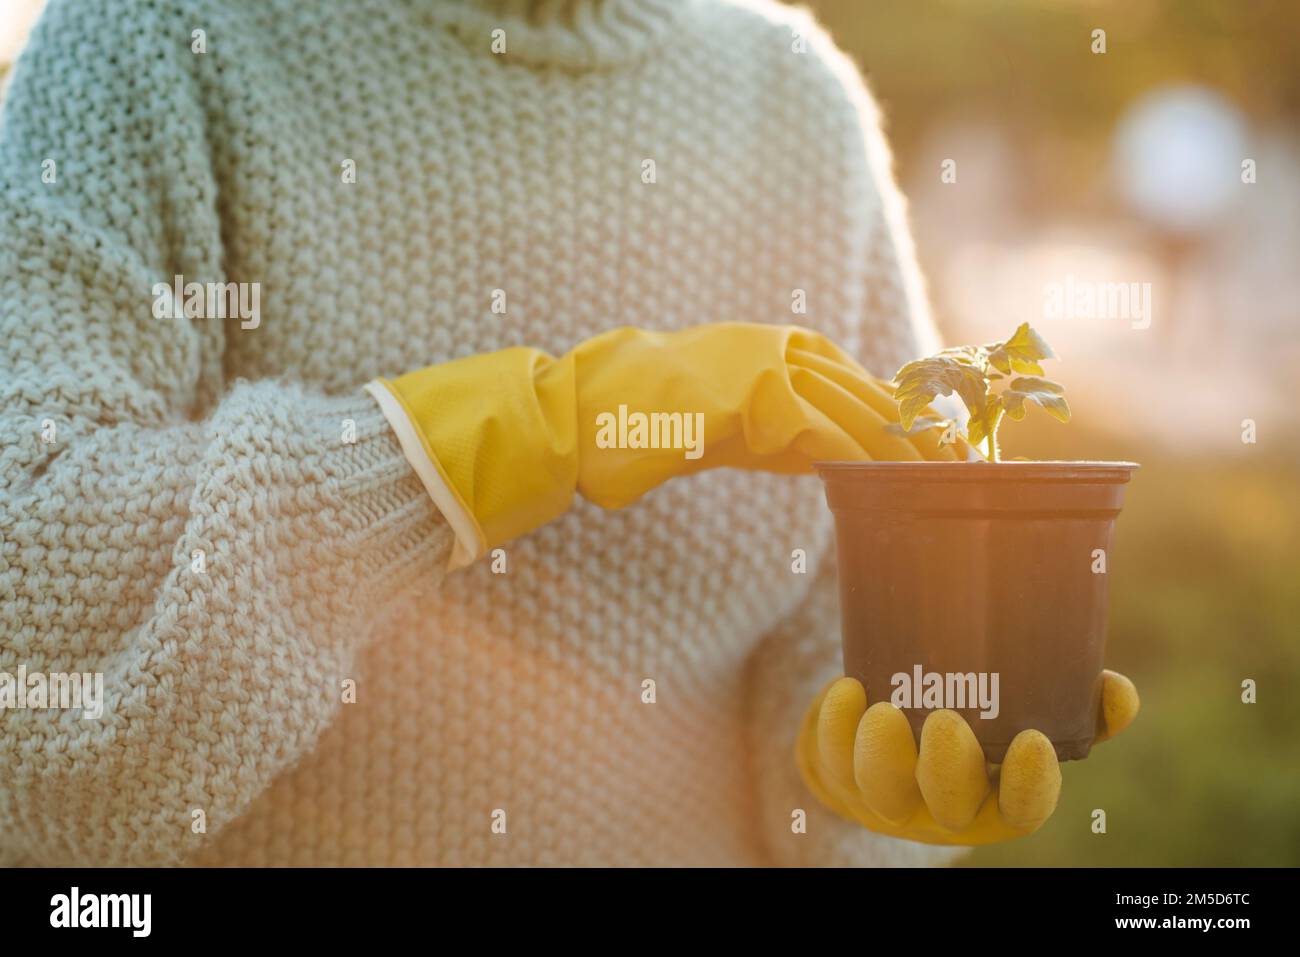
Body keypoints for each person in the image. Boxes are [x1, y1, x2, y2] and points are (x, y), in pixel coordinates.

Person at [0, 0, 1135, 867]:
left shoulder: (794, 101)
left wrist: (849, 781)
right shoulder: (156, 44)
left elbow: (839, 603)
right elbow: (29, 589)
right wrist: (509, 437)